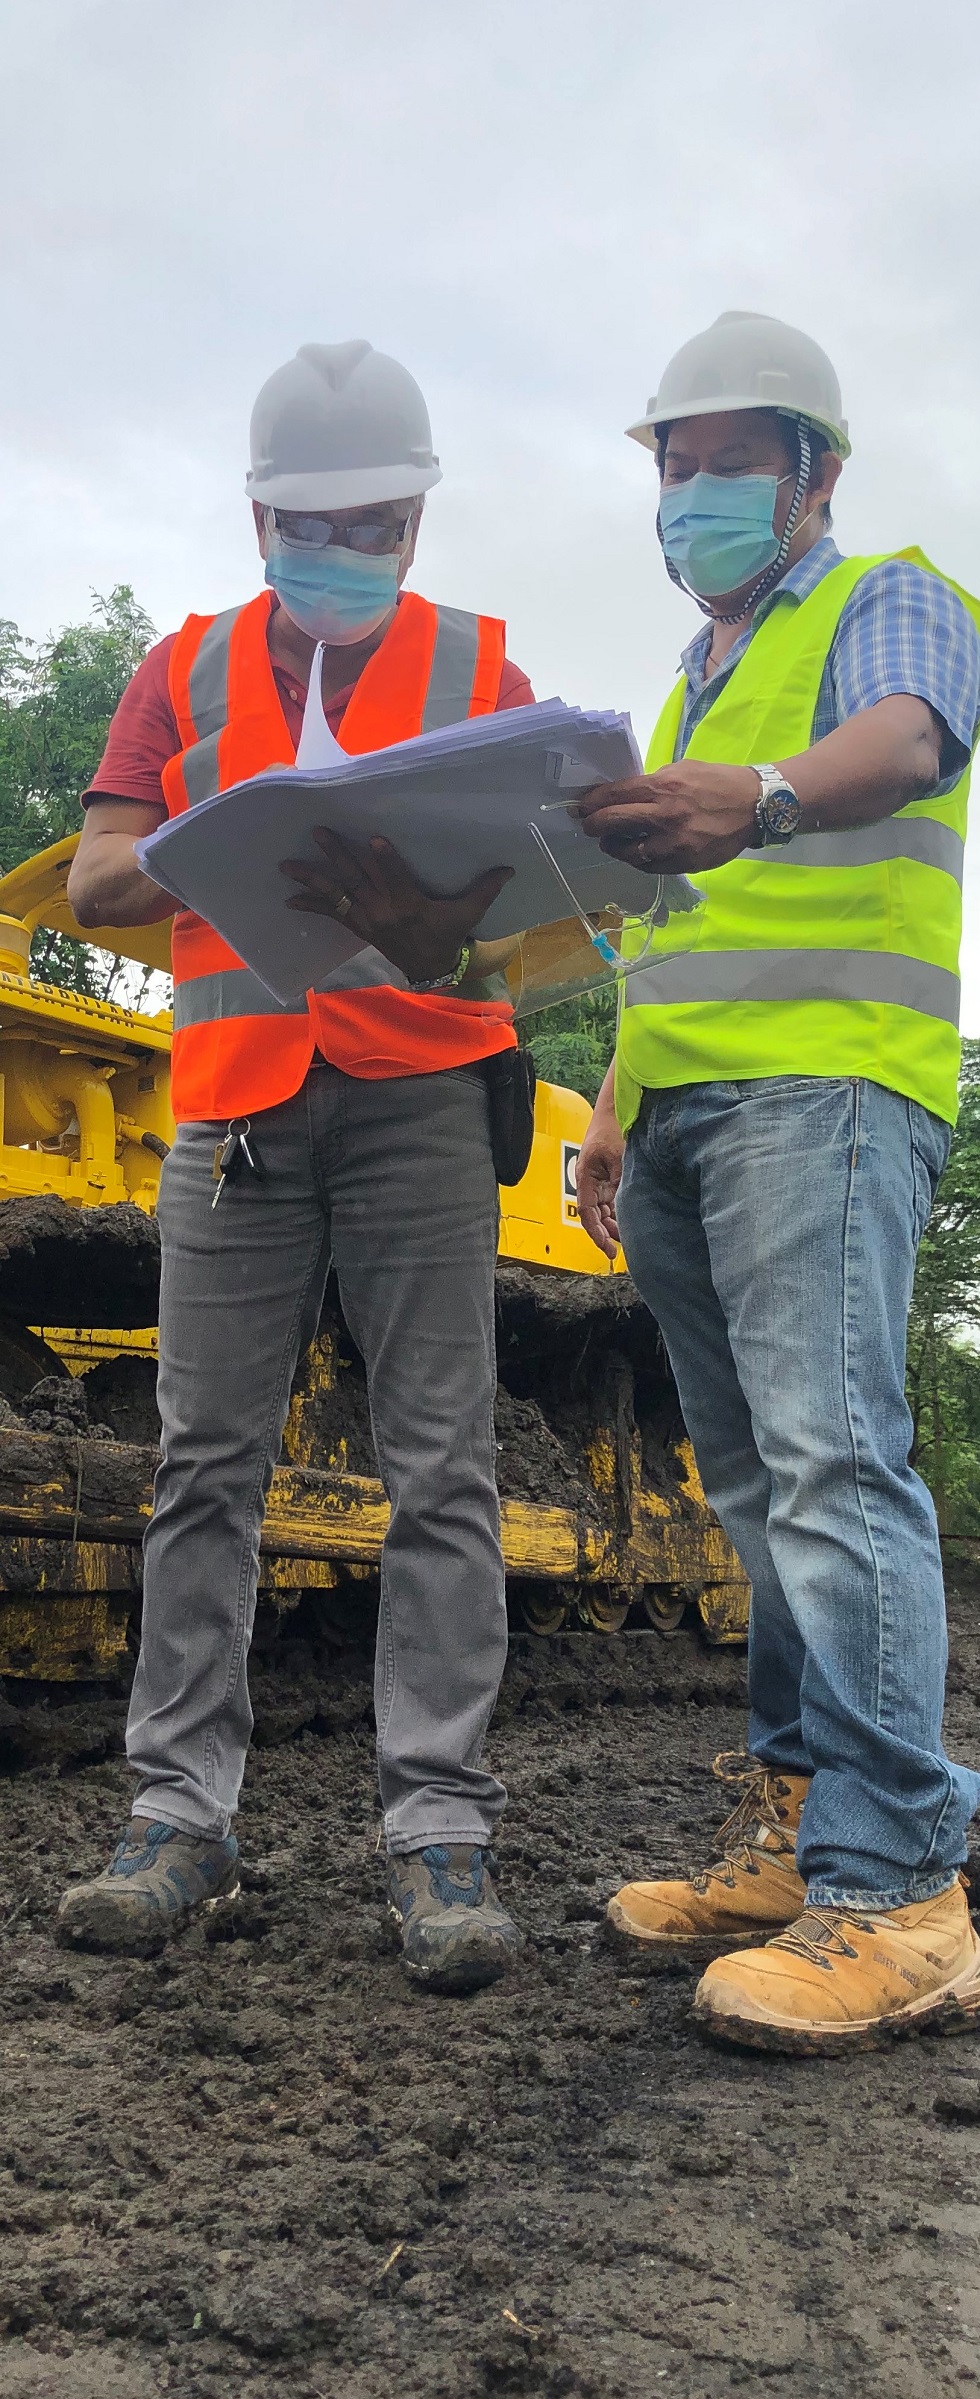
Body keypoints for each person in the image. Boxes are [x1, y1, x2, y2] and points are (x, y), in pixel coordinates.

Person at [56, 340, 533, 1992]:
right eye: (311, 524)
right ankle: (178, 1817)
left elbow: (526, 938)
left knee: (442, 1470)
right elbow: (98, 875)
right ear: (260, 520)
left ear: (415, 520)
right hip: (236, 1113)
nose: (343, 549)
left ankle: (439, 1830)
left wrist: (441, 932)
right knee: (205, 1465)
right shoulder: (180, 671)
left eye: (373, 523)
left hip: (423, 1100)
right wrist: (222, 830)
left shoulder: (485, 672)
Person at [574, 310, 980, 2055]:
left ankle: (904, 1898)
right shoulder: (697, 676)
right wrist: (616, 1101)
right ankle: (802, 1830)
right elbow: (677, 928)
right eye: (674, 466)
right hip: (687, 1109)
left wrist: (755, 797)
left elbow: (904, 742)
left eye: (728, 462)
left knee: (832, 1466)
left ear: (813, 472)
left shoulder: (889, 599)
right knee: (757, 1488)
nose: (693, 494)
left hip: (825, 1091)